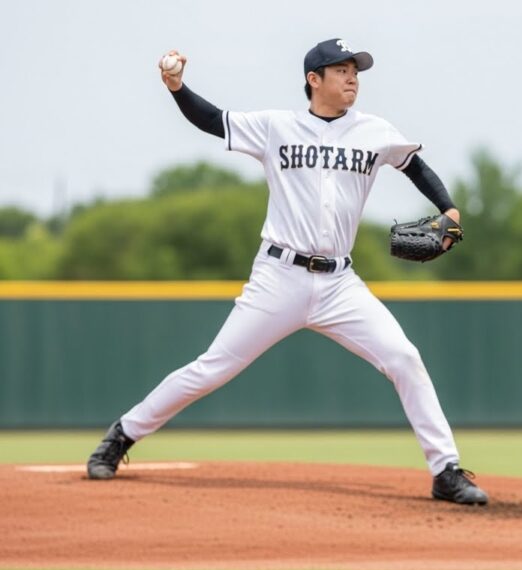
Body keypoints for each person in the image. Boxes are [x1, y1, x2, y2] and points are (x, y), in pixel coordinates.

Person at [85, 38, 488, 506]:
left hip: (340, 283)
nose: (353, 77)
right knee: (212, 368)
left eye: (355, 70)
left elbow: (414, 165)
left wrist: (449, 209)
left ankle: (446, 470)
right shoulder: (276, 126)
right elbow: (214, 120)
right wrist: (177, 87)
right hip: (279, 276)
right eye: (341, 70)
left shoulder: (374, 131)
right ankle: (122, 435)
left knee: (404, 358)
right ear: (313, 80)